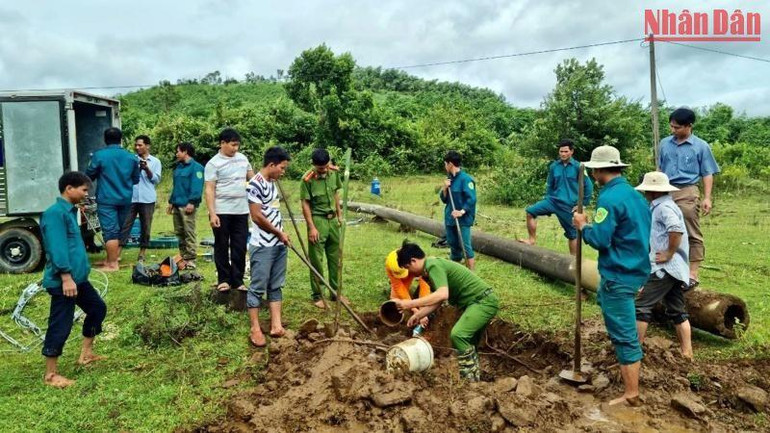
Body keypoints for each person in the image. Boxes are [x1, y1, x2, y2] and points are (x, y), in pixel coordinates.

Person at [572, 145, 650, 406]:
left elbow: (601, 239)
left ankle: (631, 394)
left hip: (619, 274)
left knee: (624, 335)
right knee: (618, 318)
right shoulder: (635, 195)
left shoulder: (609, 199)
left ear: (597, 171)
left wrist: (584, 226)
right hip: (636, 270)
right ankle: (630, 376)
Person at [393, 242, 498, 381]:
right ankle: (475, 378)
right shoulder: (428, 271)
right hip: (477, 303)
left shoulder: (433, 265)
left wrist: (409, 304)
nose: (409, 272)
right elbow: (438, 300)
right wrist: (418, 314)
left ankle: (469, 380)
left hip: (482, 302)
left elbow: (443, 294)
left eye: (407, 267)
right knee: (469, 342)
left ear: (413, 260)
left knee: (458, 335)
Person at [40, 172, 108, 388]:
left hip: (78, 279)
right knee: (61, 324)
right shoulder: (54, 214)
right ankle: (50, 375)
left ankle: (86, 355)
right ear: (69, 188)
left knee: (97, 309)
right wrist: (66, 277)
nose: (86, 193)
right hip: (65, 281)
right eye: (84, 190)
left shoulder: (69, 211)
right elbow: (57, 247)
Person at [658, 108, 720, 288]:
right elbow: (660, 168)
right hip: (665, 190)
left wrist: (707, 198)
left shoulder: (701, 146)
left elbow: (708, 173)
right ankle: (666, 268)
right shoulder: (664, 143)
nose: (673, 130)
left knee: (691, 231)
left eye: (677, 127)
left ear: (689, 126)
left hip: (687, 190)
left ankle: (693, 273)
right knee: (663, 229)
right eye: (671, 127)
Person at [634, 171, 693, 360]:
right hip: (675, 269)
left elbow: (675, 230)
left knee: (641, 306)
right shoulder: (665, 205)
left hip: (664, 268)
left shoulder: (663, 208)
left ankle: (634, 351)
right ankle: (687, 353)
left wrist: (668, 253)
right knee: (677, 311)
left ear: (652, 191)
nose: (644, 194)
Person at [245, 147, 292, 347]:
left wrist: (281, 234)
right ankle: (255, 328)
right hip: (263, 245)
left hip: (278, 243)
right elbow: (257, 216)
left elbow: (273, 211)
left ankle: (276, 325)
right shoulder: (255, 184)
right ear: (271, 164)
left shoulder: (273, 182)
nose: (283, 172)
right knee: (257, 287)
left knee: (276, 284)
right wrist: (278, 233)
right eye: (281, 168)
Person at [520, 139, 593, 255]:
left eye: (566, 151)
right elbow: (550, 184)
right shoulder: (554, 166)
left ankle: (573, 261)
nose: (563, 154)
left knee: (572, 234)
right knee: (530, 212)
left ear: (572, 151)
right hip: (552, 201)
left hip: (568, 205)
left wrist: (583, 204)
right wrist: (548, 197)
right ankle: (531, 240)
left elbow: (588, 186)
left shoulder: (579, 167)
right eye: (561, 151)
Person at [204, 128, 254, 292]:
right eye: (232, 145)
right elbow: (210, 189)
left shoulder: (243, 159)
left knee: (240, 245)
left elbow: (252, 180)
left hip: (241, 210)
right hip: (222, 211)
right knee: (221, 244)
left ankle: (238, 280)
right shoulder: (213, 163)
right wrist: (212, 213)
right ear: (222, 143)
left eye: (237, 145)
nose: (235, 149)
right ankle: (224, 279)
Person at [85, 127, 141, 271]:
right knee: (119, 231)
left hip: (107, 199)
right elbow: (136, 179)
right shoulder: (131, 157)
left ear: (105, 139)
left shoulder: (99, 156)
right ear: (121, 139)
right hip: (125, 199)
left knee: (110, 232)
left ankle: (112, 264)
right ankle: (110, 259)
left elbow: (89, 175)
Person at [300, 148, 344, 309]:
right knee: (317, 259)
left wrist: (339, 216)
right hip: (318, 220)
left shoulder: (334, 173)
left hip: (333, 221)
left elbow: (336, 195)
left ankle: (335, 293)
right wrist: (311, 227)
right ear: (313, 165)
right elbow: (305, 204)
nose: (324, 170)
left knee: (335, 258)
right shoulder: (307, 179)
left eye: (326, 166)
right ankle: (318, 295)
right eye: (320, 168)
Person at [119, 135, 161, 262]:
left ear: (147, 146)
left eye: (140, 145)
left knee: (146, 226)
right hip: (131, 198)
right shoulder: (131, 160)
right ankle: (118, 252)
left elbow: (156, 180)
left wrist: (147, 168)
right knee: (125, 225)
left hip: (147, 198)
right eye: (136, 145)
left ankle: (142, 252)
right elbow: (124, 177)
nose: (137, 147)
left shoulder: (155, 161)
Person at [168, 143, 205, 269]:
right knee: (179, 232)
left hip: (187, 205)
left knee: (189, 232)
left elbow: (197, 187)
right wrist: (171, 202)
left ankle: (191, 259)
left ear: (186, 152)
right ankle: (183, 257)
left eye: (178, 151)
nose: (176, 154)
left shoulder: (197, 168)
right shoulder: (178, 167)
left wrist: (192, 202)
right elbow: (176, 186)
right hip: (177, 204)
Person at [439, 150, 477, 270]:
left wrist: (461, 211)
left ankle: (471, 274)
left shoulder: (466, 180)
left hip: (463, 219)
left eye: (445, 163)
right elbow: (445, 200)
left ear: (450, 164)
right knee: (453, 245)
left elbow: (471, 200)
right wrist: (444, 188)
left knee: (465, 246)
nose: (445, 166)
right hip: (450, 218)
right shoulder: (449, 179)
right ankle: (455, 270)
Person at [385, 249, 431, 328]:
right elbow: (398, 287)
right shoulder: (389, 266)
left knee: (426, 291)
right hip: (400, 277)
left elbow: (424, 286)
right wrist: (414, 309)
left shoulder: (415, 263)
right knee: (396, 299)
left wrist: (422, 311)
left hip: (411, 271)